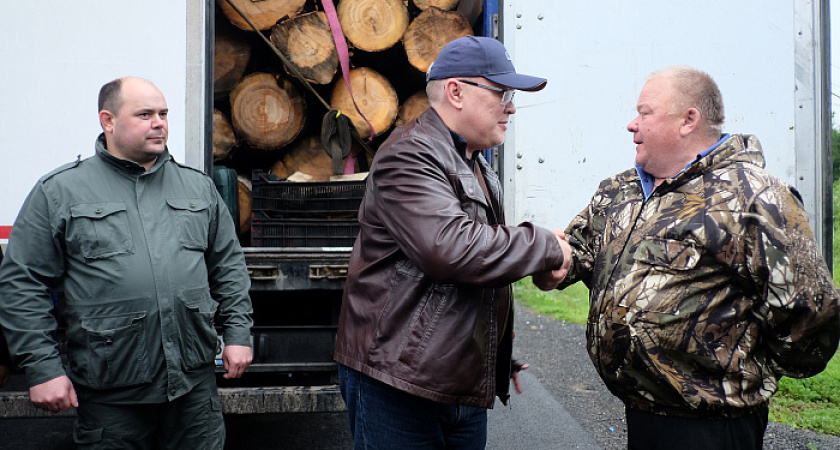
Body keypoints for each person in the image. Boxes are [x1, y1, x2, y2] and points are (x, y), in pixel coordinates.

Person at [535, 66, 840, 450]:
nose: (632, 124)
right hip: (641, 410)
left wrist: (749, 368)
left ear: (688, 120)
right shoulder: (621, 189)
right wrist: (558, 266)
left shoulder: (755, 198)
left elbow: (810, 310)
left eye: (644, 112)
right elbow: (581, 248)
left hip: (711, 425)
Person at [333, 35, 572, 449]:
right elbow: (451, 249)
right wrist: (547, 246)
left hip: (454, 382)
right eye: (502, 93)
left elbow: (482, 265)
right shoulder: (408, 155)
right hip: (400, 384)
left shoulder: (475, 163)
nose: (511, 106)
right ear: (456, 91)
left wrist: (493, 354)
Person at [0, 77, 254, 449]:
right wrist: (42, 369)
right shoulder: (60, 191)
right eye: (145, 114)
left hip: (193, 390)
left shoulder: (196, 188)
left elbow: (228, 268)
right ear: (108, 121)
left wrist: (237, 334)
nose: (159, 123)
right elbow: (23, 283)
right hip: (112, 395)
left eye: (163, 114)